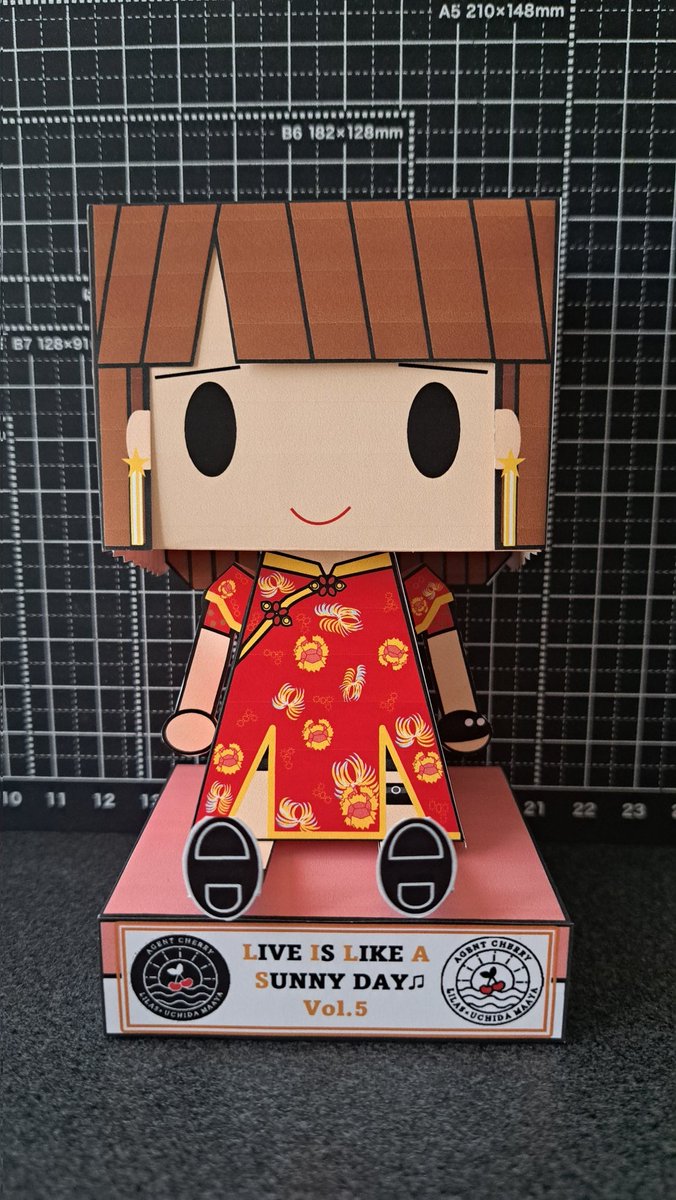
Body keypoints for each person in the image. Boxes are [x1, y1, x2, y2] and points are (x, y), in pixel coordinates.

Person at [90, 198, 556, 918]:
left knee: (401, 773)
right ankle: (236, 847)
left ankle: (410, 844)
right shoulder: (248, 583)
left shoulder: (407, 584)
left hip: (383, 711)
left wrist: (460, 711)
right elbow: (216, 638)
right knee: (250, 775)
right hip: (267, 715)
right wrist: (195, 708)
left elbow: (439, 637)